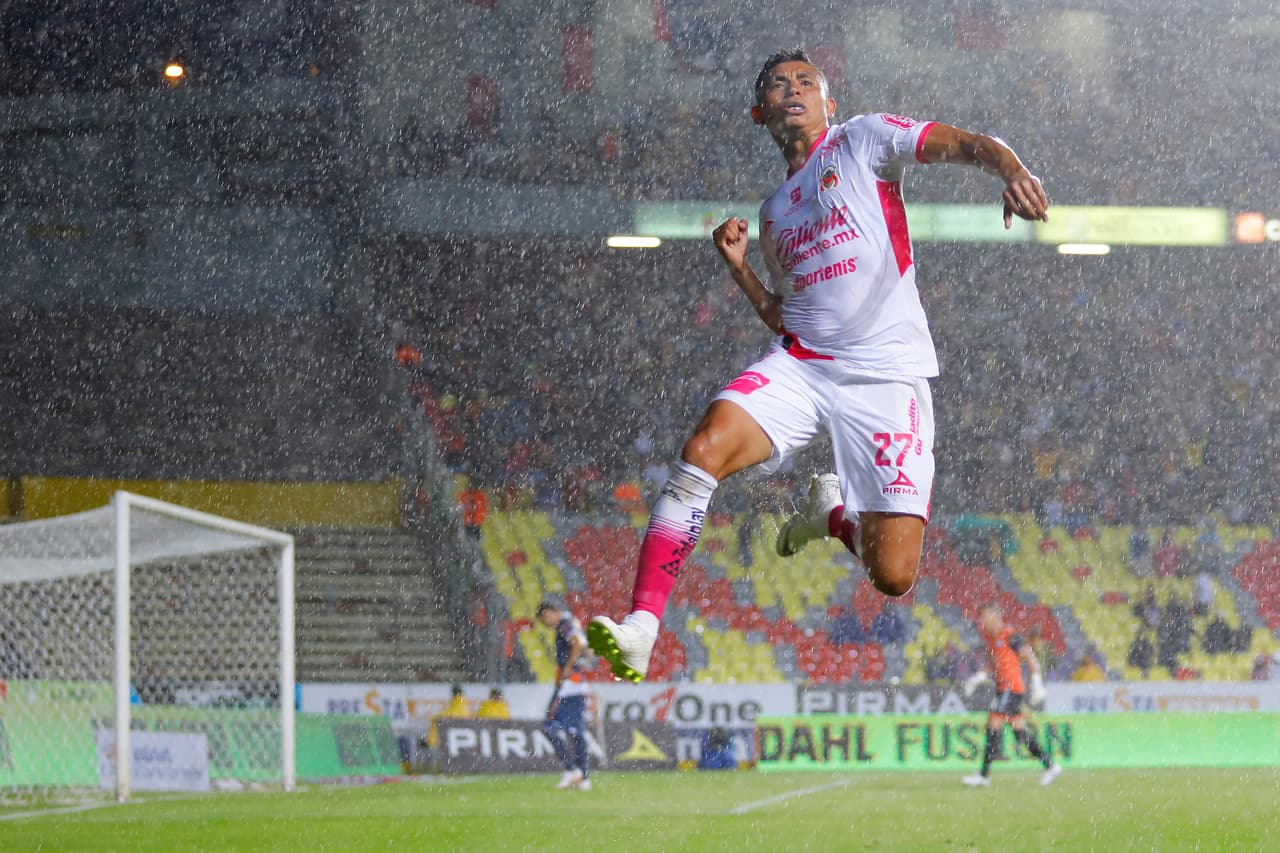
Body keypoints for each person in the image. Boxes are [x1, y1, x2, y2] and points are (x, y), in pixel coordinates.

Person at [587, 47, 1049, 682]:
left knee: (893, 576)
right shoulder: (774, 213)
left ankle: (830, 517)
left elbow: (968, 143)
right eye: (779, 85)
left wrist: (1011, 169)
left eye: (807, 81)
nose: (794, 89)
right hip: (803, 366)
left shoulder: (863, 141)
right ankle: (640, 627)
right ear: (760, 113)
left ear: (830, 103)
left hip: (886, 376)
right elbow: (787, 315)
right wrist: (742, 270)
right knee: (704, 448)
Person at [961, 603, 1061, 787]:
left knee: (993, 724)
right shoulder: (992, 639)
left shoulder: (1010, 635)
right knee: (1020, 735)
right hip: (1003, 689)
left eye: (984, 617)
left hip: (1011, 689)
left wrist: (1037, 685)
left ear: (995, 616)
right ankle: (1050, 766)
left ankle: (984, 775)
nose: (982, 622)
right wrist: (976, 679)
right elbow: (993, 664)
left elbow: (1029, 657)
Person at [537, 601, 592, 791]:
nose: (546, 623)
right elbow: (586, 647)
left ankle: (571, 769)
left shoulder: (565, 625)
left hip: (570, 685)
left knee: (548, 727)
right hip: (578, 684)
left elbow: (578, 644)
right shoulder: (572, 622)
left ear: (552, 612)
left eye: (545, 618)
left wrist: (567, 668)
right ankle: (583, 776)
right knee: (576, 731)